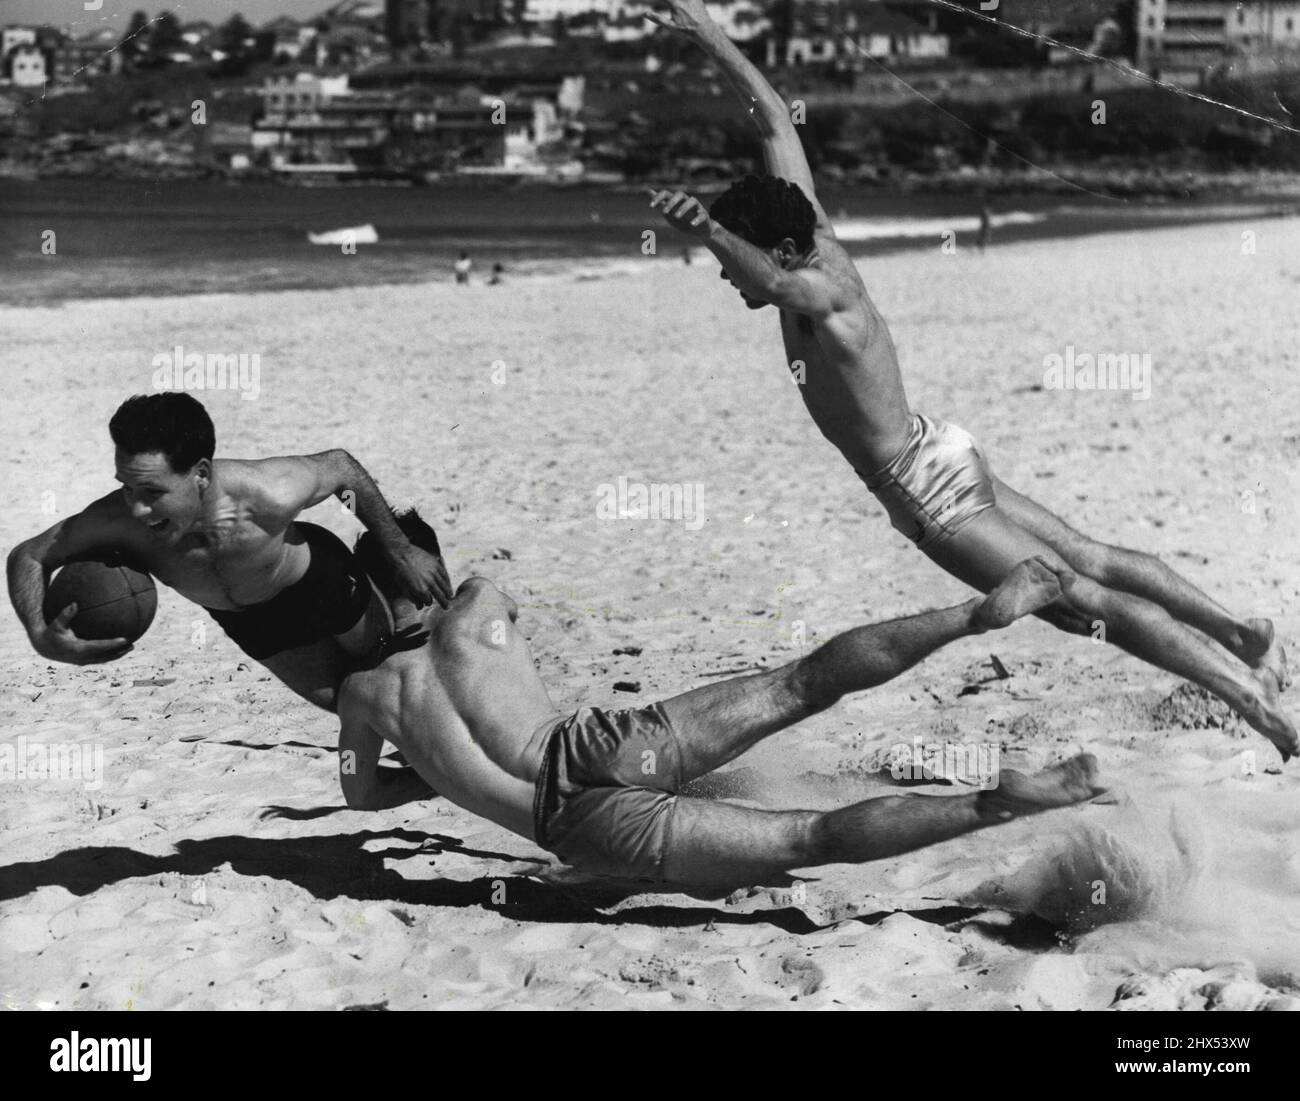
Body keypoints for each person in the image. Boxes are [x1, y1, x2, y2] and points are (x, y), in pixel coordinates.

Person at [643, 0, 1294, 761]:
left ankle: (1257, 703)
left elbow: (778, 286)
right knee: (1095, 556)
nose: (729, 281)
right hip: (940, 443)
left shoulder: (819, 295)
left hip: (925, 487)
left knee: (1086, 598)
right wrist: (709, 36)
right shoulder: (811, 231)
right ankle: (1239, 631)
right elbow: (775, 126)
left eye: (737, 267)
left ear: (779, 253)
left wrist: (711, 231)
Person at [337, 513, 1102, 890]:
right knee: (799, 683)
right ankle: (973, 615)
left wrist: (435, 772)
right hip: (596, 743)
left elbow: (362, 793)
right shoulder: (478, 603)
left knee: (808, 838)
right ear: (430, 567)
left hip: (576, 827)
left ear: (371, 596)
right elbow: (501, 612)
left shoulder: (362, 696)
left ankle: (994, 805)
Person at [6, 393, 451, 712]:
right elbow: (27, 556)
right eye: (126, 486)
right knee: (349, 706)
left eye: (152, 492)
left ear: (200, 474)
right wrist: (41, 635)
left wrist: (399, 548)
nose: (136, 508)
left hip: (318, 583)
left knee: (392, 669)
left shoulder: (267, 491)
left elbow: (341, 468)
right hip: (247, 620)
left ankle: (394, 575)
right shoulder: (115, 517)